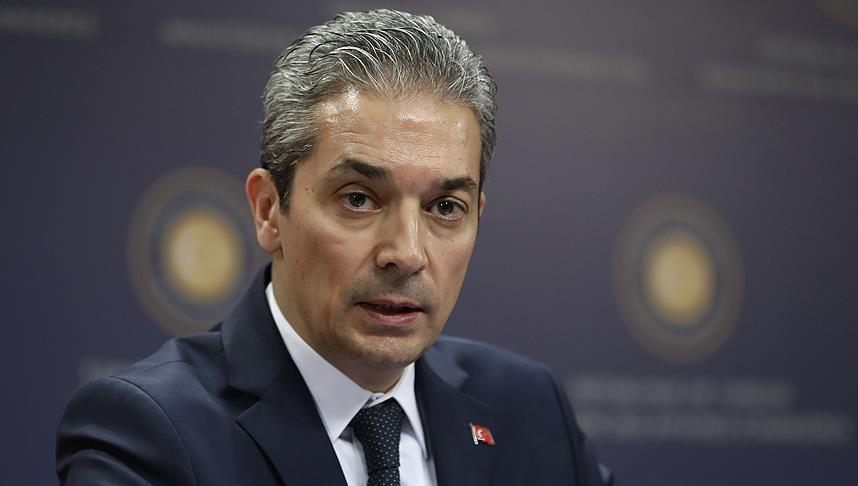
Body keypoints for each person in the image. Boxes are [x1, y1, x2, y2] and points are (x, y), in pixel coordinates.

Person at [57, 9, 613, 485]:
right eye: (359, 199)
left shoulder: (529, 409)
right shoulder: (149, 433)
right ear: (269, 210)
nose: (407, 253)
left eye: (445, 207)